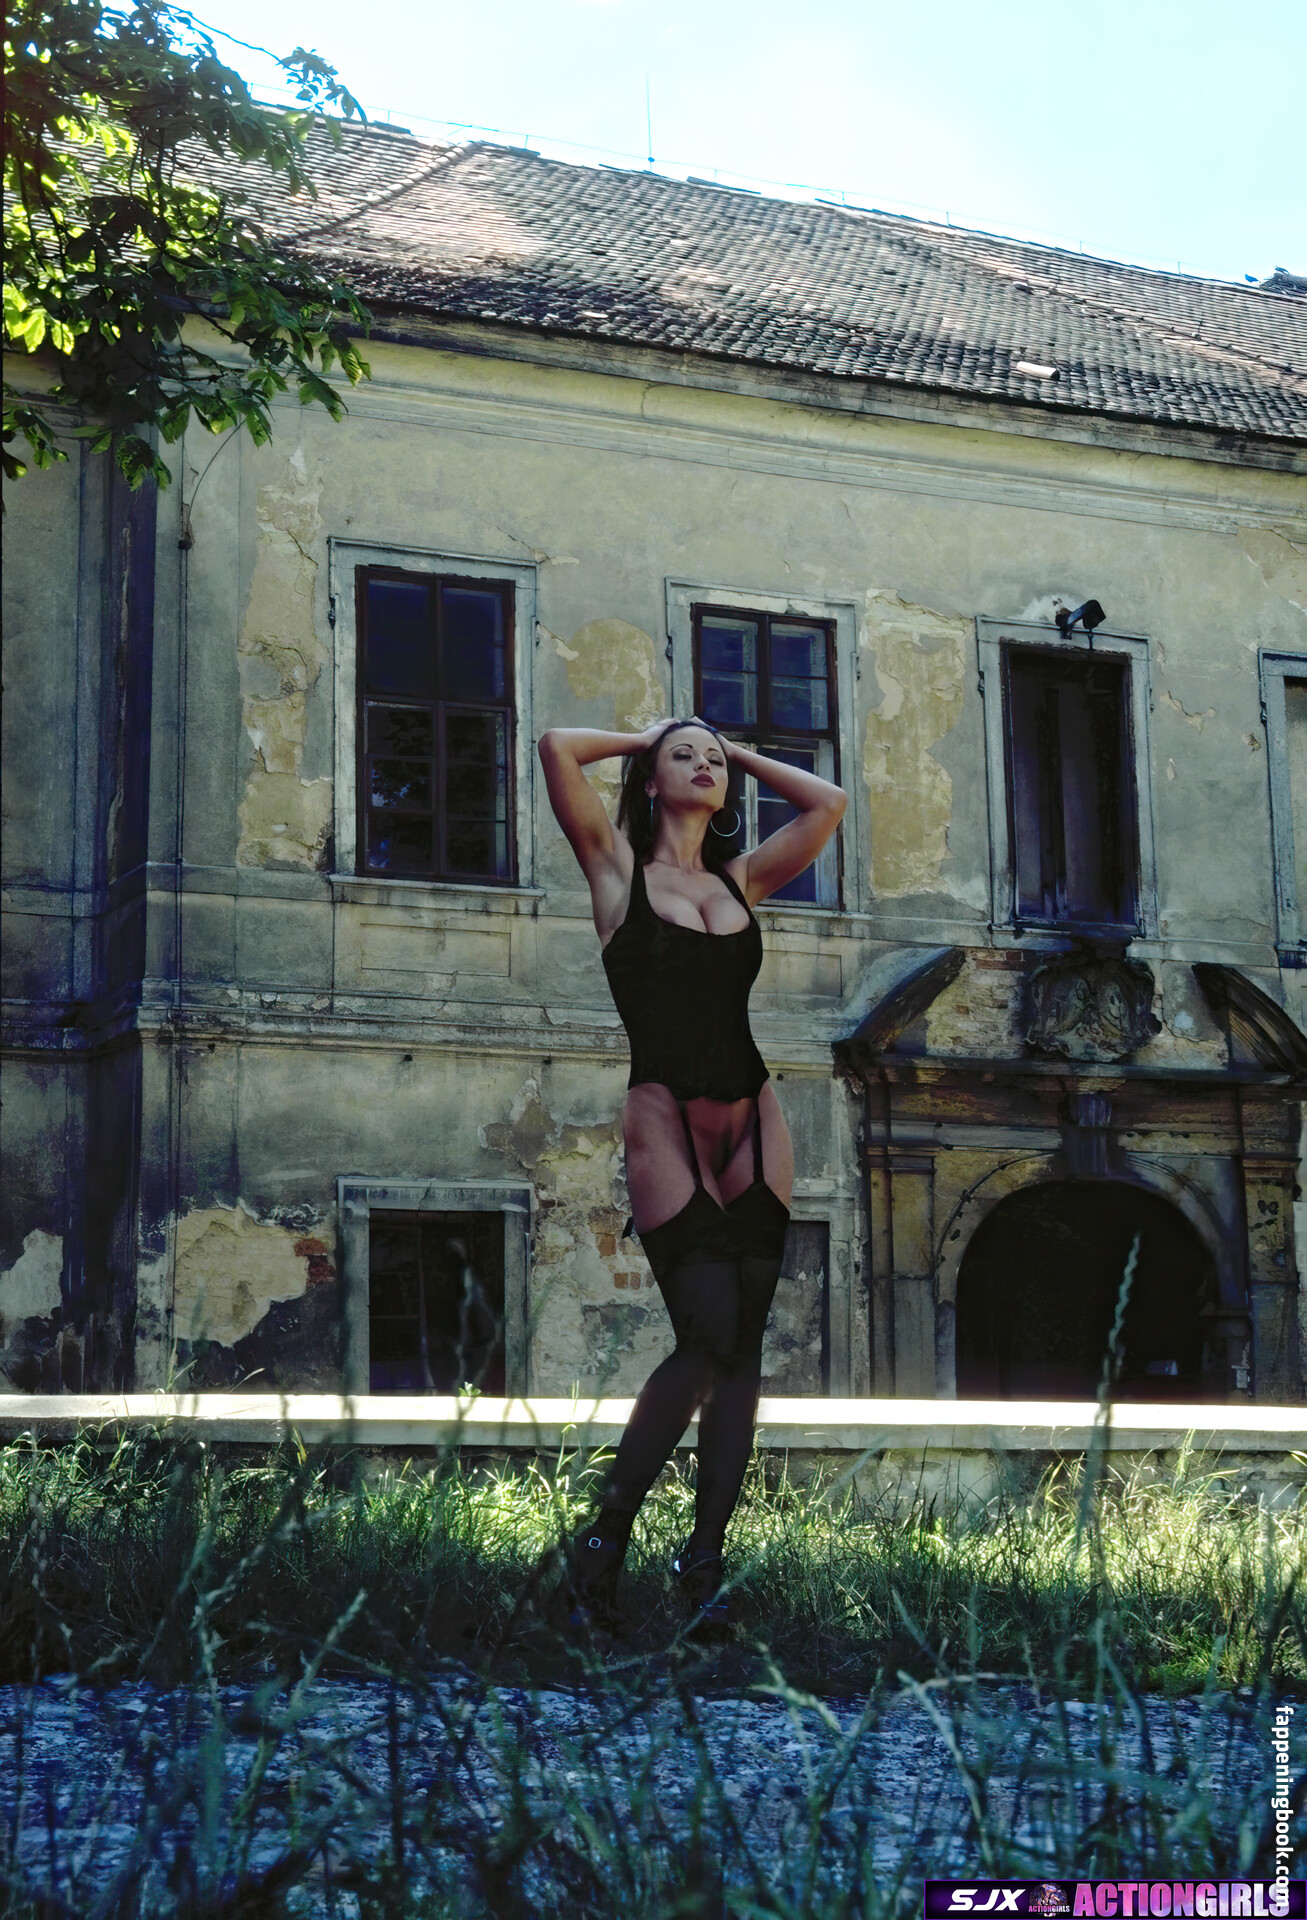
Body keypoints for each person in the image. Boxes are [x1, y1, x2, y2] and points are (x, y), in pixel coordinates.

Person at [537, 714, 846, 1634]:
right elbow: (556, 747)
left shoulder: (738, 879)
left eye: (714, 760)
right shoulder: (614, 870)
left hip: (754, 1112)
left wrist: (729, 746)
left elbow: (827, 803)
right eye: (687, 757)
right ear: (648, 779)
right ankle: (602, 1541)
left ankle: (702, 1563)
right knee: (705, 1334)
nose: (706, 766)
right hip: (663, 1110)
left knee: (741, 1347)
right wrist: (652, 734)